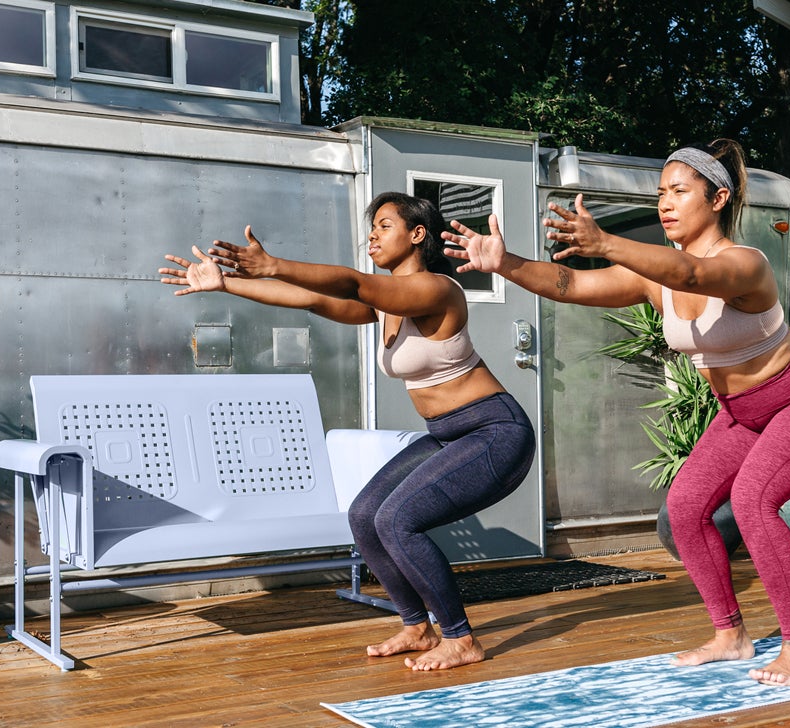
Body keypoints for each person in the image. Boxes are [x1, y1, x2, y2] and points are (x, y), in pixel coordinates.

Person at [444, 139, 790, 687]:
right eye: (661, 193)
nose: (665, 203)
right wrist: (507, 264)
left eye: (679, 191)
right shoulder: (654, 277)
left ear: (718, 199)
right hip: (743, 411)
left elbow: (693, 276)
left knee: (753, 501)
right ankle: (731, 635)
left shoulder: (745, 263)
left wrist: (606, 241)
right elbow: (572, 284)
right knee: (685, 508)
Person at [158, 192, 536, 671]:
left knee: (397, 519)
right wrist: (226, 284)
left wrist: (274, 264)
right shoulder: (386, 304)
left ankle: (460, 638)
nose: (372, 236)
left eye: (384, 226)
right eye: (371, 228)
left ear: (417, 234)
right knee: (364, 516)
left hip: (494, 431)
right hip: (447, 433)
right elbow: (313, 299)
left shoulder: (437, 289)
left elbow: (353, 283)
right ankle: (416, 627)